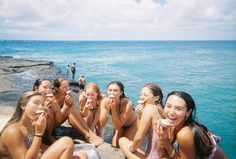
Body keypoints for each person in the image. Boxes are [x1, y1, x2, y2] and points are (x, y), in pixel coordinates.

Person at [0, 91, 86, 159]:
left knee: (80, 157)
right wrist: (38, 133)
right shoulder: (12, 131)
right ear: (23, 105)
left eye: (42, 104)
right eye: (36, 103)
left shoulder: (29, 124)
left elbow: (40, 146)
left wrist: (62, 151)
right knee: (66, 142)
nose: (41, 107)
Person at [156, 91, 226, 159]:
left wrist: (166, 143)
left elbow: (163, 154)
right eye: (168, 106)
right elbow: (161, 155)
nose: (171, 112)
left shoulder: (185, 134)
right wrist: (162, 137)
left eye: (178, 109)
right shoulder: (172, 124)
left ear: (188, 112)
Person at [53, 77, 103, 147]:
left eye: (68, 86)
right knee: (69, 108)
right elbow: (56, 118)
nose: (68, 89)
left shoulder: (67, 96)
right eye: (64, 87)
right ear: (57, 89)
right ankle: (88, 136)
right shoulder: (53, 99)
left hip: (61, 118)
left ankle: (90, 135)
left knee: (71, 108)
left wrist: (86, 107)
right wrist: (65, 106)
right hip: (54, 123)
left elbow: (81, 114)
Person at [119, 83, 164, 159]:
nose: (141, 98)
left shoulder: (149, 108)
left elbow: (138, 138)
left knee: (122, 140)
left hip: (152, 157)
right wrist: (139, 116)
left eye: (145, 95)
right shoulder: (162, 109)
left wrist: (131, 149)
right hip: (161, 156)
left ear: (156, 98)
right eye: (141, 95)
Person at [99, 81, 137, 147]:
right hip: (119, 124)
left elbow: (117, 127)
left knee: (126, 147)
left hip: (132, 124)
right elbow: (102, 124)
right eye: (110, 90)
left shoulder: (127, 103)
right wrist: (107, 110)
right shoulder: (105, 102)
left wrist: (113, 109)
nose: (112, 93)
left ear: (121, 93)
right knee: (114, 146)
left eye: (115, 90)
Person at [33, 78, 62, 144]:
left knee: (50, 110)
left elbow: (59, 121)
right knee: (48, 111)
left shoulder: (51, 101)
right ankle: (45, 138)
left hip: (46, 129)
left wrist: (56, 107)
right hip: (34, 129)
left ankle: (49, 136)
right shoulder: (32, 101)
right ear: (36, 88)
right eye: (45, 87)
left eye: (50, 88)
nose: (48, 90)